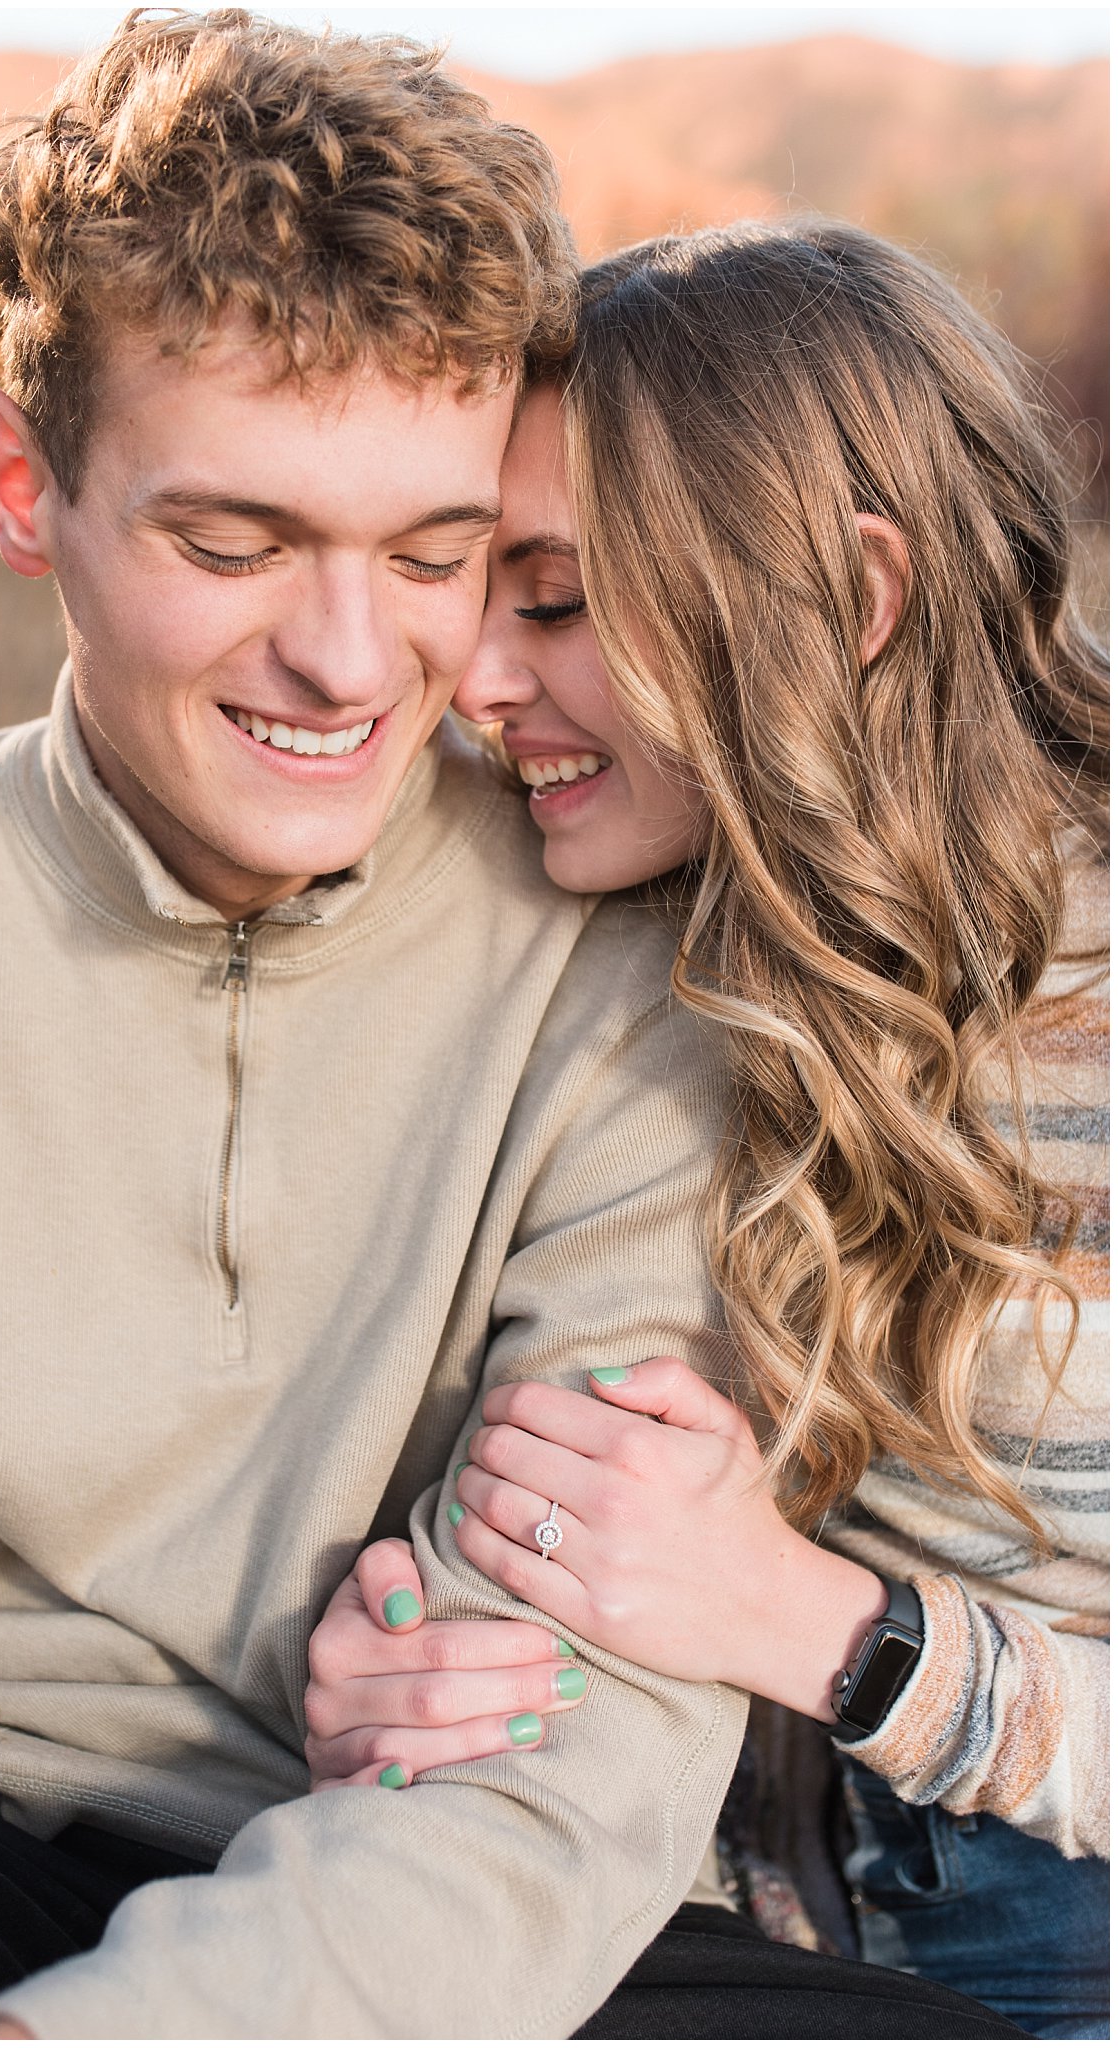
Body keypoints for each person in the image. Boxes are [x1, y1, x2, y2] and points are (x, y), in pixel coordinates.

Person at [0, 17, 1025, 2042]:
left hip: (392, 1893)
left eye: (438, 553)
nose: (354, 662)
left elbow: (558, 1761)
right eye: (231, 540)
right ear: (25, 484)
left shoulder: (635, 977)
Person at [303, 222, 1109, 2040]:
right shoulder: (603, 902)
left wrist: (836, 1634)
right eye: (474, 587)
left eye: (561, 601)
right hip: (679, 1866)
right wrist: (403, 1657)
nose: (479, 683)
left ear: (857, 596)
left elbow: (741, 1586)